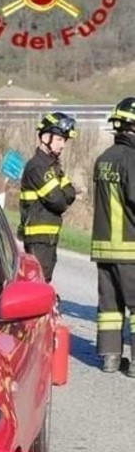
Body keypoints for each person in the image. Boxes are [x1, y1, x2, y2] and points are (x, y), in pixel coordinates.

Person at [90, 96, 135, 375]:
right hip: (130, 248)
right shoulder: (132, 159)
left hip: (103, 247)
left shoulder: (103, 159)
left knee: (109, 306)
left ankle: (109, 358)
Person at [17, 112, 77, 284]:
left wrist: (62, 191)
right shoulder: (38, 167)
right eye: (59, 139)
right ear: (45, 137)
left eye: (64, 140)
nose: (63, 145)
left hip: (48, 238)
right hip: (38, 239)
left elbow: (71, 193)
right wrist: (62, 193)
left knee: (45, 281)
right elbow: (59, 202)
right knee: (37, 284)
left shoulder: (52, 167)